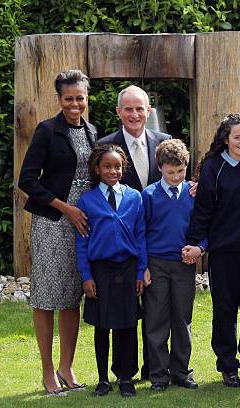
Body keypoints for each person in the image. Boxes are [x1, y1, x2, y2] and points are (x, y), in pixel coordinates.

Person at [18, 69, 95, 396]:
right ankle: (48, 371)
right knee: (47, 297)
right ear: (59, 99)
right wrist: (66, 208)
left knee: (71, 297)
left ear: (86, 98)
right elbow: (27, 181)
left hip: (84, 224)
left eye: (80, 98)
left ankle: (67, 366)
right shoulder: (47, 130)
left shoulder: (92, 131)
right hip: (53, 223)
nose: (75, 104)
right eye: (69, 99)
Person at [185, 113, 240, 388]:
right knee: (224, 312)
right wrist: (196, 243)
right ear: (225, 139)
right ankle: (227, 365)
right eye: (237, 137)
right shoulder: (213, 167)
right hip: (224, 253)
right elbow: (203, 210)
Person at [97, 85, 171, 382]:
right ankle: (122, 371)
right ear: (119, 112)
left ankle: (154, 369)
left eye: (140, 108)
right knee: (125, 312)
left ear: (148, 111)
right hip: (123, 246)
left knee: (156, 311)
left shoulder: (164, 142)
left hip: (160, 241)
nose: (134, 114)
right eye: (128, 109)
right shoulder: (105, 146)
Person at [75, 144, 147, 398]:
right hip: (100, 271)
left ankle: (126, 377)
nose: (113, 171)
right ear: (97, 168)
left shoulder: (134, 197)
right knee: (102, 326)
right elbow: (82, 242)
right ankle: (103, 379)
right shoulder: (87, 200)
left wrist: (140, 272)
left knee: (127, 326)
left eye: (117, 166)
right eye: (107, 166)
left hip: (127, 269)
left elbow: (141, 237)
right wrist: (86, 276)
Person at [141, 139, 202, 391]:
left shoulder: (193, 194)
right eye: (170, 172)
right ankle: (158, 375)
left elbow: (203, 226)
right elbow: (140, 231)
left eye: (180, 171)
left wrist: (199, 248)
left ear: (186, 167)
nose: (176, 177)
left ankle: (181, 371)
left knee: (182, 318)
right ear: (160, 168)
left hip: (183, 264)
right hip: (156, 264)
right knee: (156, 319)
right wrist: (142, 265)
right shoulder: (149, 195)